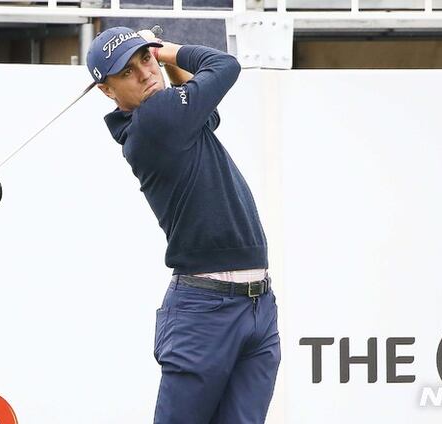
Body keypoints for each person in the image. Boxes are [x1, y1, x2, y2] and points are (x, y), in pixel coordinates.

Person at [86, 26, 281, 423]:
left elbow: (206, 111)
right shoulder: (155, 119)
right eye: (127, 71)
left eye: (144, 59)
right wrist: (164, 50)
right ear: (107, 91)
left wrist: (162, 64)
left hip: (257, 304)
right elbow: (223, 65)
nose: (145, 73)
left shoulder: (174, 117)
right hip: (205, 311)